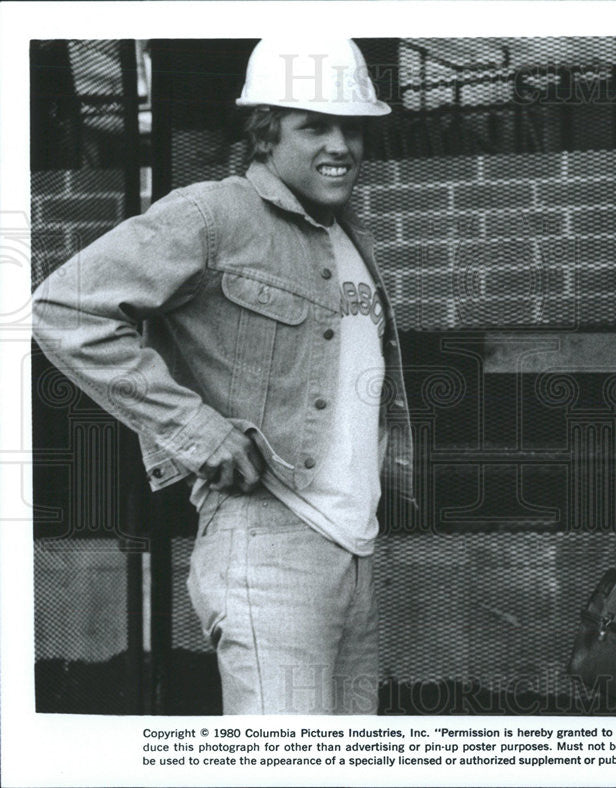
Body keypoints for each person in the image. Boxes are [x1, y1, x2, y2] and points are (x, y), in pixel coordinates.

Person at [33, 37, 413, 715]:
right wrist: (194, 430)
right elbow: (65, 306)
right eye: (314, 125)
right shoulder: (214, 214)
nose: (341, 145)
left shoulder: (347, 234)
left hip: (353, 550)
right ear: (266, 133)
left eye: (352, 127)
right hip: (267, 544)